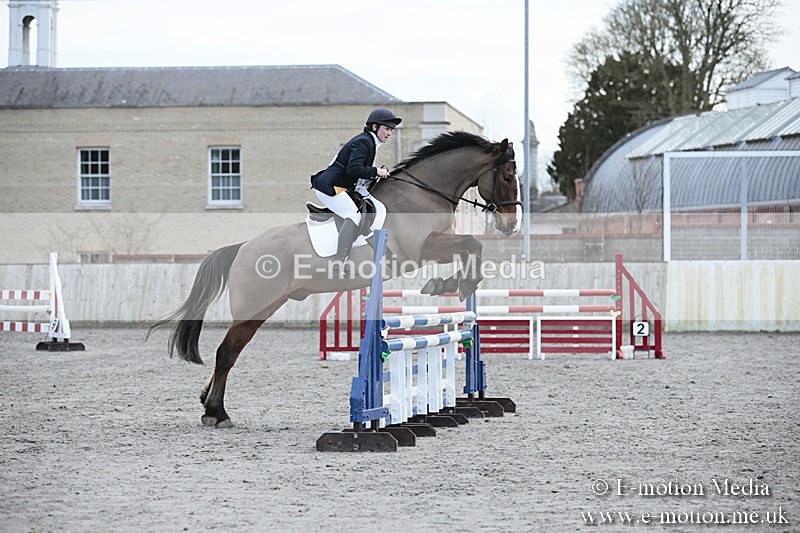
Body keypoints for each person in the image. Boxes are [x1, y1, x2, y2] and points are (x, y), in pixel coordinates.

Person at [310, 108, 402, 267]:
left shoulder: (370, 142)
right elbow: (353, 169)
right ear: (375, 127)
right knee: (353, 215)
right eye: (387, 129)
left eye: (391, 130)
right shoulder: (364, 142)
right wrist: (376, 171)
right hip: (329, 187)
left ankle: (386, 257)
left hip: (342, 186)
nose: (389, 133)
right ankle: (339, 262)